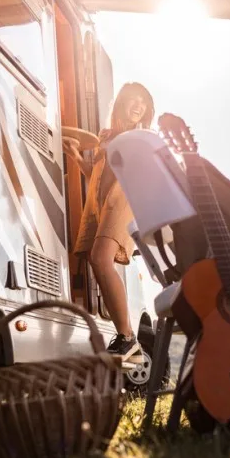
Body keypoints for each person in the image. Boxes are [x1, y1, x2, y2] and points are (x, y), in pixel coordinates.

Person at [66, 82, 154, 360]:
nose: (138, 105)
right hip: (100, 202)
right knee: (95, 260)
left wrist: (110, 143)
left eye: (144, 102)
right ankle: (129, 343)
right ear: (120, 103)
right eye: (133, 99)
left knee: (101, 258)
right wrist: (76, 156)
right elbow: (96, 173)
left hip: (123, 199)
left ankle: (127, 337)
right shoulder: (110, 138)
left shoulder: (139, 137)